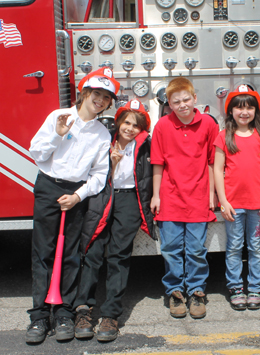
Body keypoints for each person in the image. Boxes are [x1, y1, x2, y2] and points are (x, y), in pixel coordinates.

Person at [26, 67, 118, 343]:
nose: (100, 100)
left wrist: (78, 196)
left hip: (76, 193)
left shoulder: (103, 134)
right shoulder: (59, 116)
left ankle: (64, 312)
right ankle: (40, 317)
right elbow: (36, 152)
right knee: (43, 253)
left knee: (69, 255)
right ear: (85, 93)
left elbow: (100, 175)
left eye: (105, 97)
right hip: (49, 187)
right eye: (96, 94)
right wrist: (58, 134)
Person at [73, 99, 155, 342]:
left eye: (136, 125)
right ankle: (83, 310)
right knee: (93, 251)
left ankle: (110, 314)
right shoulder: (103, 141)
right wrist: (111, 163)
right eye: (126, 122)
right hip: (103, 196)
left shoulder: (145, 147)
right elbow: (84, 169)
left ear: (142, 130)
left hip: (129, 200)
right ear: (118, 122)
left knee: (119, 255)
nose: (130, 128)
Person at [150, 77, 219, 319]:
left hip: (199, 197)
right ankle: (175, 291)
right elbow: (157, 163)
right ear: (168, 103)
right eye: (176, 101)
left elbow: (212, 161)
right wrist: (156, 195)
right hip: (169, 197)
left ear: (195, 98)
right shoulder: (162, 126)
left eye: (186, 99)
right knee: (170, 248)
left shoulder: (209, 124)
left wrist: (212, 193)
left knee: (196, 249)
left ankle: (197, 290)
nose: (182, 105)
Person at [214, 85, 260, 311]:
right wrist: (223, 200)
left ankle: (255, 287)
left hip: (257, 204)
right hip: (234, 205)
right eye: (239, 107)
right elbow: (217, 170)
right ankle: (235, 287)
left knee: (256, 246)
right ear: (230, 111)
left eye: (249, 107)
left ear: (256, 111)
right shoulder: (224, 136)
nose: (244, 112)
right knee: (234, 247)